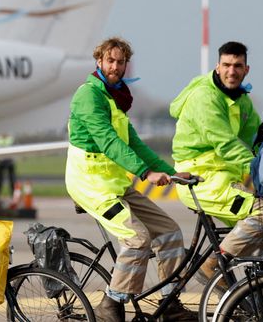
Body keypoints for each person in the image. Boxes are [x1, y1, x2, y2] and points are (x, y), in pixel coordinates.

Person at [65, 37, 195, 322]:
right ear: (99, 61)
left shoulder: (116, 96)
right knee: (138, 239)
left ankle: (169, 302)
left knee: (170, 231)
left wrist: (169, 171)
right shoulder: (89, 95)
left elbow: (133, 142)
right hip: (91, 185)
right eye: (110, 61)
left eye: (120, 62)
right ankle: (110, 304)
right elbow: (109, 141)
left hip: (114, 184)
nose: (115, 66)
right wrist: (146, 173)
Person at [170, 41, 263, 287]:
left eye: (238, 66)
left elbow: (256, 143)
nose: (232, 71)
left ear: (246, 69)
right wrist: (262, 170)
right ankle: (212, 269)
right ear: (217, 67)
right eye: (227, 65)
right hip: (199, 180)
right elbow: (226, 144)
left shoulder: (243, 101)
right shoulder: (205, 97)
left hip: (225, 179)